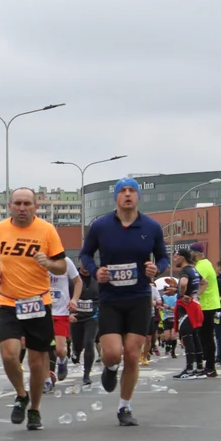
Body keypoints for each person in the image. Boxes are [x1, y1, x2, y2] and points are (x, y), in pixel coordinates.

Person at [79, 178, 168, 427]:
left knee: (131, 354)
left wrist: (156, 269)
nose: (127, 195)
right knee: (111, 353)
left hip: (139, 298)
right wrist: (95, 271)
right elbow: (85, 253)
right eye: (123, 191)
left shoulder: (151, 226)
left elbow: (163, 257)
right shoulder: (101, 226)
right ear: (116, 198)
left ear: (138, 197)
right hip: (111, 298)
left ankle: (124, 406)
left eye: (132, 191)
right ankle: (109, 369)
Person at [0, 187, 69, 431]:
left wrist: (49, 263)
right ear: (10, 206)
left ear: (35, 206)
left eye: (27, 204)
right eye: (17, 204)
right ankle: (21, 394)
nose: (22, 208)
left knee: (37, 363)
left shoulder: (47, 230)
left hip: (38, 303)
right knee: (8, 354)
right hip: (9, 301)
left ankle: (34, 409)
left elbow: (62, 267)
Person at [46, 254, 82, 387]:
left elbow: (78, 281)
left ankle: (62, 359)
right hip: (43, 310)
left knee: (60, 349)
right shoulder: (38, 261)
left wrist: (74, 300)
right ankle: (47, 378)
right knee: (44, 347)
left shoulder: (65, 262)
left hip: (61, 311)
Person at [171, 250, 206, 379]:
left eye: (175, 257)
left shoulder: (185, 270)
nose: (174, 260)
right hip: (195, 304)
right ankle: (200, 368)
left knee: (187, 336)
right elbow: (204, 282)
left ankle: (190, 369)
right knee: (195, 336)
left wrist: (181, 295)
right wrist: (196, 295)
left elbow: (184, 283)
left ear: (182, 257)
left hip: (186, 308)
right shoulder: (194, 270)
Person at [189, 243, 219, 377]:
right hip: (207, 304)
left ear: (196, 253)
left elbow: (196, 282)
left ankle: (210, 367)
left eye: (191, 252)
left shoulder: (202, 266)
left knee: (206, 337)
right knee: (204, 337)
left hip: (206, 305)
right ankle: (207, 365)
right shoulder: (205, 264)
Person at [68, 263, 99, 385]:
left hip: (92, 317)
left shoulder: (97, 277)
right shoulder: (72, 278)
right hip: (75, 317)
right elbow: (65, 296)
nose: (86, 266)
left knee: (89, 342)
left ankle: (86, 374)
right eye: (84, 263)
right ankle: (76, 351)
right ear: (80, 263)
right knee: (78, 344)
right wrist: (68, 313)